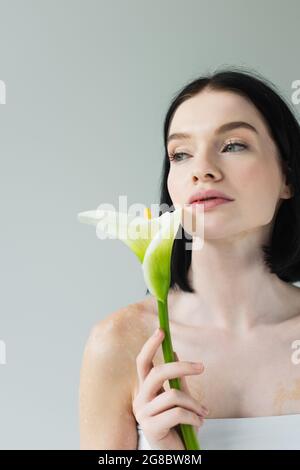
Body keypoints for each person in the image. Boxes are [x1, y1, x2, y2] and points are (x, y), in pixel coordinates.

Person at [79, 67, 300, 450]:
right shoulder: (120, 342)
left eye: (233, 145)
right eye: (181, 154)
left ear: (287, 176)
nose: (202, 171)